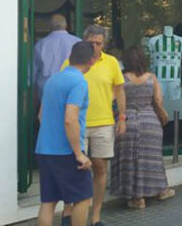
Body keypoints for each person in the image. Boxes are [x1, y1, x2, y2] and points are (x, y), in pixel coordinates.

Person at [61, 25, 126, 226]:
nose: (95, 47)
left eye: (99, 43)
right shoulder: (70, 63)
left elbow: (120, 90)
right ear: (84, 42)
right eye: (91, 43)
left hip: (104, 123)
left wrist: (122, 117)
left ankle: (96, 215)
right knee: (75, 169)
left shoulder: (112, 62)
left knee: (100, 168)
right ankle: (68, 210)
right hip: (78, 125)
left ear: (104, 44)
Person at [36, 42, 95, 226]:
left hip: (44, 150)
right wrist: (79, 154)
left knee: (48, 202)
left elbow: (40, 115)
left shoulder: (53, 79)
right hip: (66, 152)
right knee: (83, 197)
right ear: (92, 61)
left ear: (70, 57)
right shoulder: (78, 82)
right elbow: (70, 119)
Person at [110, 47, 174, 209]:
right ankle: (161, 191)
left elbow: (112, 100)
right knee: (152, 158)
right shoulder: (152, 78)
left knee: (129, 159)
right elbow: (158, 101)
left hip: (127, 122)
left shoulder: (121, 79)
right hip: (150, 122)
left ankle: (137, 198)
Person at [33, 14, 81, 103]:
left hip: (47, 91)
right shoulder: (78, 42)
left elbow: (32, 73)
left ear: (50, 26)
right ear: (66, 25)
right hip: (72, 89)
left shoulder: (41, 44)